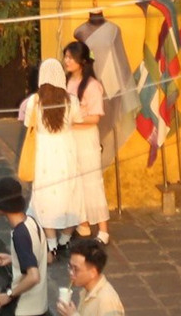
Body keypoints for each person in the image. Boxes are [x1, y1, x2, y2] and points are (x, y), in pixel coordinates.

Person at [20, 58, 84, 252]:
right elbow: (77, 120)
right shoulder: (71, 100)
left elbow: (27, 126)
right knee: (72, 194)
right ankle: (65, 239)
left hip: (43, 154)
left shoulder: (34, 101)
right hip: (67, 152)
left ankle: (51, 243)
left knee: (45, 195)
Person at [61, 39, 112, 243]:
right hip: (70, 139)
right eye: (65, 56)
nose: (66, 61)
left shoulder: (92, 86)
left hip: (86, 139)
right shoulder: (66, 82)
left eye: (70, 57)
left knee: (92, 182)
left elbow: (95, 117)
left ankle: (103, 229)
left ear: (81, 61)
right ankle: (82, 223)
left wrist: (74, 120)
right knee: (74, 182)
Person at [0, 178, 48, 314]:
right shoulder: (32, 222)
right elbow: (41, 256)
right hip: (39, 305)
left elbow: (33, 276)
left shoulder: (19, 235)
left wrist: (9, 295)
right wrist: (13, 258)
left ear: (1, 207)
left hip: (23, 308)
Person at [58, 239, 124, 316]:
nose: (71, 272)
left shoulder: (107, 301)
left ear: (93, 272)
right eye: (70, 267)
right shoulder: (86, 291)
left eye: (76, 269)